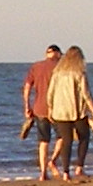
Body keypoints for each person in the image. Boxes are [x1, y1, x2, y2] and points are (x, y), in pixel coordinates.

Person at [44, 46, 93, 179]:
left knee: (66, 141)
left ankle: (65, 172)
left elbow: (50, 93)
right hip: (77, 111)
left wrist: (50, 109)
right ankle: (79, 167)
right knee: (84, 138)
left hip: (60, 112)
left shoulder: (57, 73)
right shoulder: (79, 73)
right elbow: (86, 95)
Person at [21, 44, 63, 178]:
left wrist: (27, 106)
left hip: (39, 108)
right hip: (57, 109)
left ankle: (43, 172)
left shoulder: (36, 67)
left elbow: (27, 87)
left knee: (43, 141)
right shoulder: (61, 67)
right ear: (57, 54)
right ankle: (53, 161)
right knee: (63, 137)